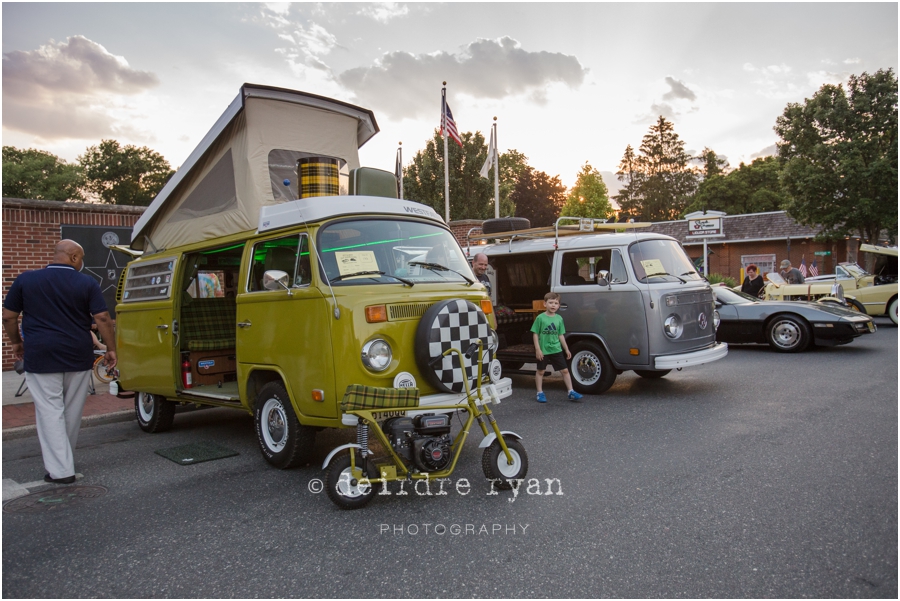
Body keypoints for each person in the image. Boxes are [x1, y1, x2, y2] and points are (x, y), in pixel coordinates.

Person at [2, 240, 117, 484]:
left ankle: (61, 470)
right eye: (82, 257)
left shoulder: (25, 280)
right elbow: (103, 318)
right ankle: (64, 461)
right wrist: (111, 349)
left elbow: (8, 317)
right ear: (74, 257)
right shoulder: (86, 282)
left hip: (41, 354)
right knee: (72, 411)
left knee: (50, 411)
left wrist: (16, 342)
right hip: (77, 354)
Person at [530, 292, 582, 403]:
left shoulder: (559, 319)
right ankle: (540, 393)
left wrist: (566, 349)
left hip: (556, 349)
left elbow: (561, 335)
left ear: (559, 306)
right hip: (544, 350)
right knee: (541, 371)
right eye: (550, 303)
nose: (553, 305)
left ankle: (571, 392)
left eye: (556, 303)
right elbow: (535, 334)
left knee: (565, 371)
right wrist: (538, 349)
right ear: (545, 304)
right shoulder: (540, 318)